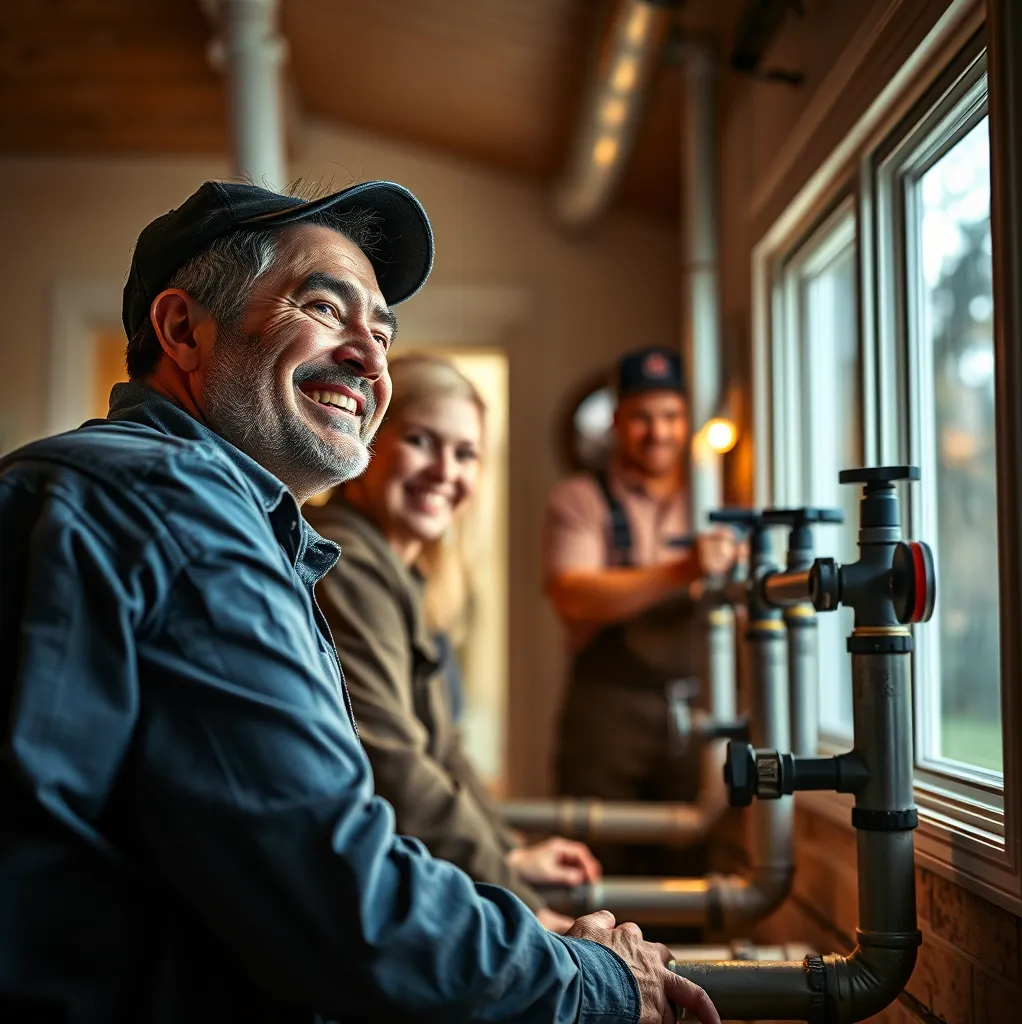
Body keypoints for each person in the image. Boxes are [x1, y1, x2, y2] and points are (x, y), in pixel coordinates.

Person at [0, 180, 720, 1024]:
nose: (371, 360)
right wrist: (594, 979)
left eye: (380, 333)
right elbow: (343, 898)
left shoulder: (160, 496)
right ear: (182, 330)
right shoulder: (180, 507)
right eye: (323, 308)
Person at [307, 354, 599, 936]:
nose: (445, 471)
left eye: (466, 453)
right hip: (357, 900)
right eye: (421, 441)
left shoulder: (404, 573)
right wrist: (526, 906)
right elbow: (393, 760)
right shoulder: (345, 562)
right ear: (369, 442)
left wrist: (507, 851)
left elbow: (444, 752)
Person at [544, 346, 742, 881]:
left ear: (687, 421)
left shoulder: (716, 497)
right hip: (607, 713)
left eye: (671, 416)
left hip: (699, 710)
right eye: (642, 418)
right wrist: (683, 570)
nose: (658, 432)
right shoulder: (580, 498)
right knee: (596, 868)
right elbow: (573, 593)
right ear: (617, 421)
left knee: (690, 869)